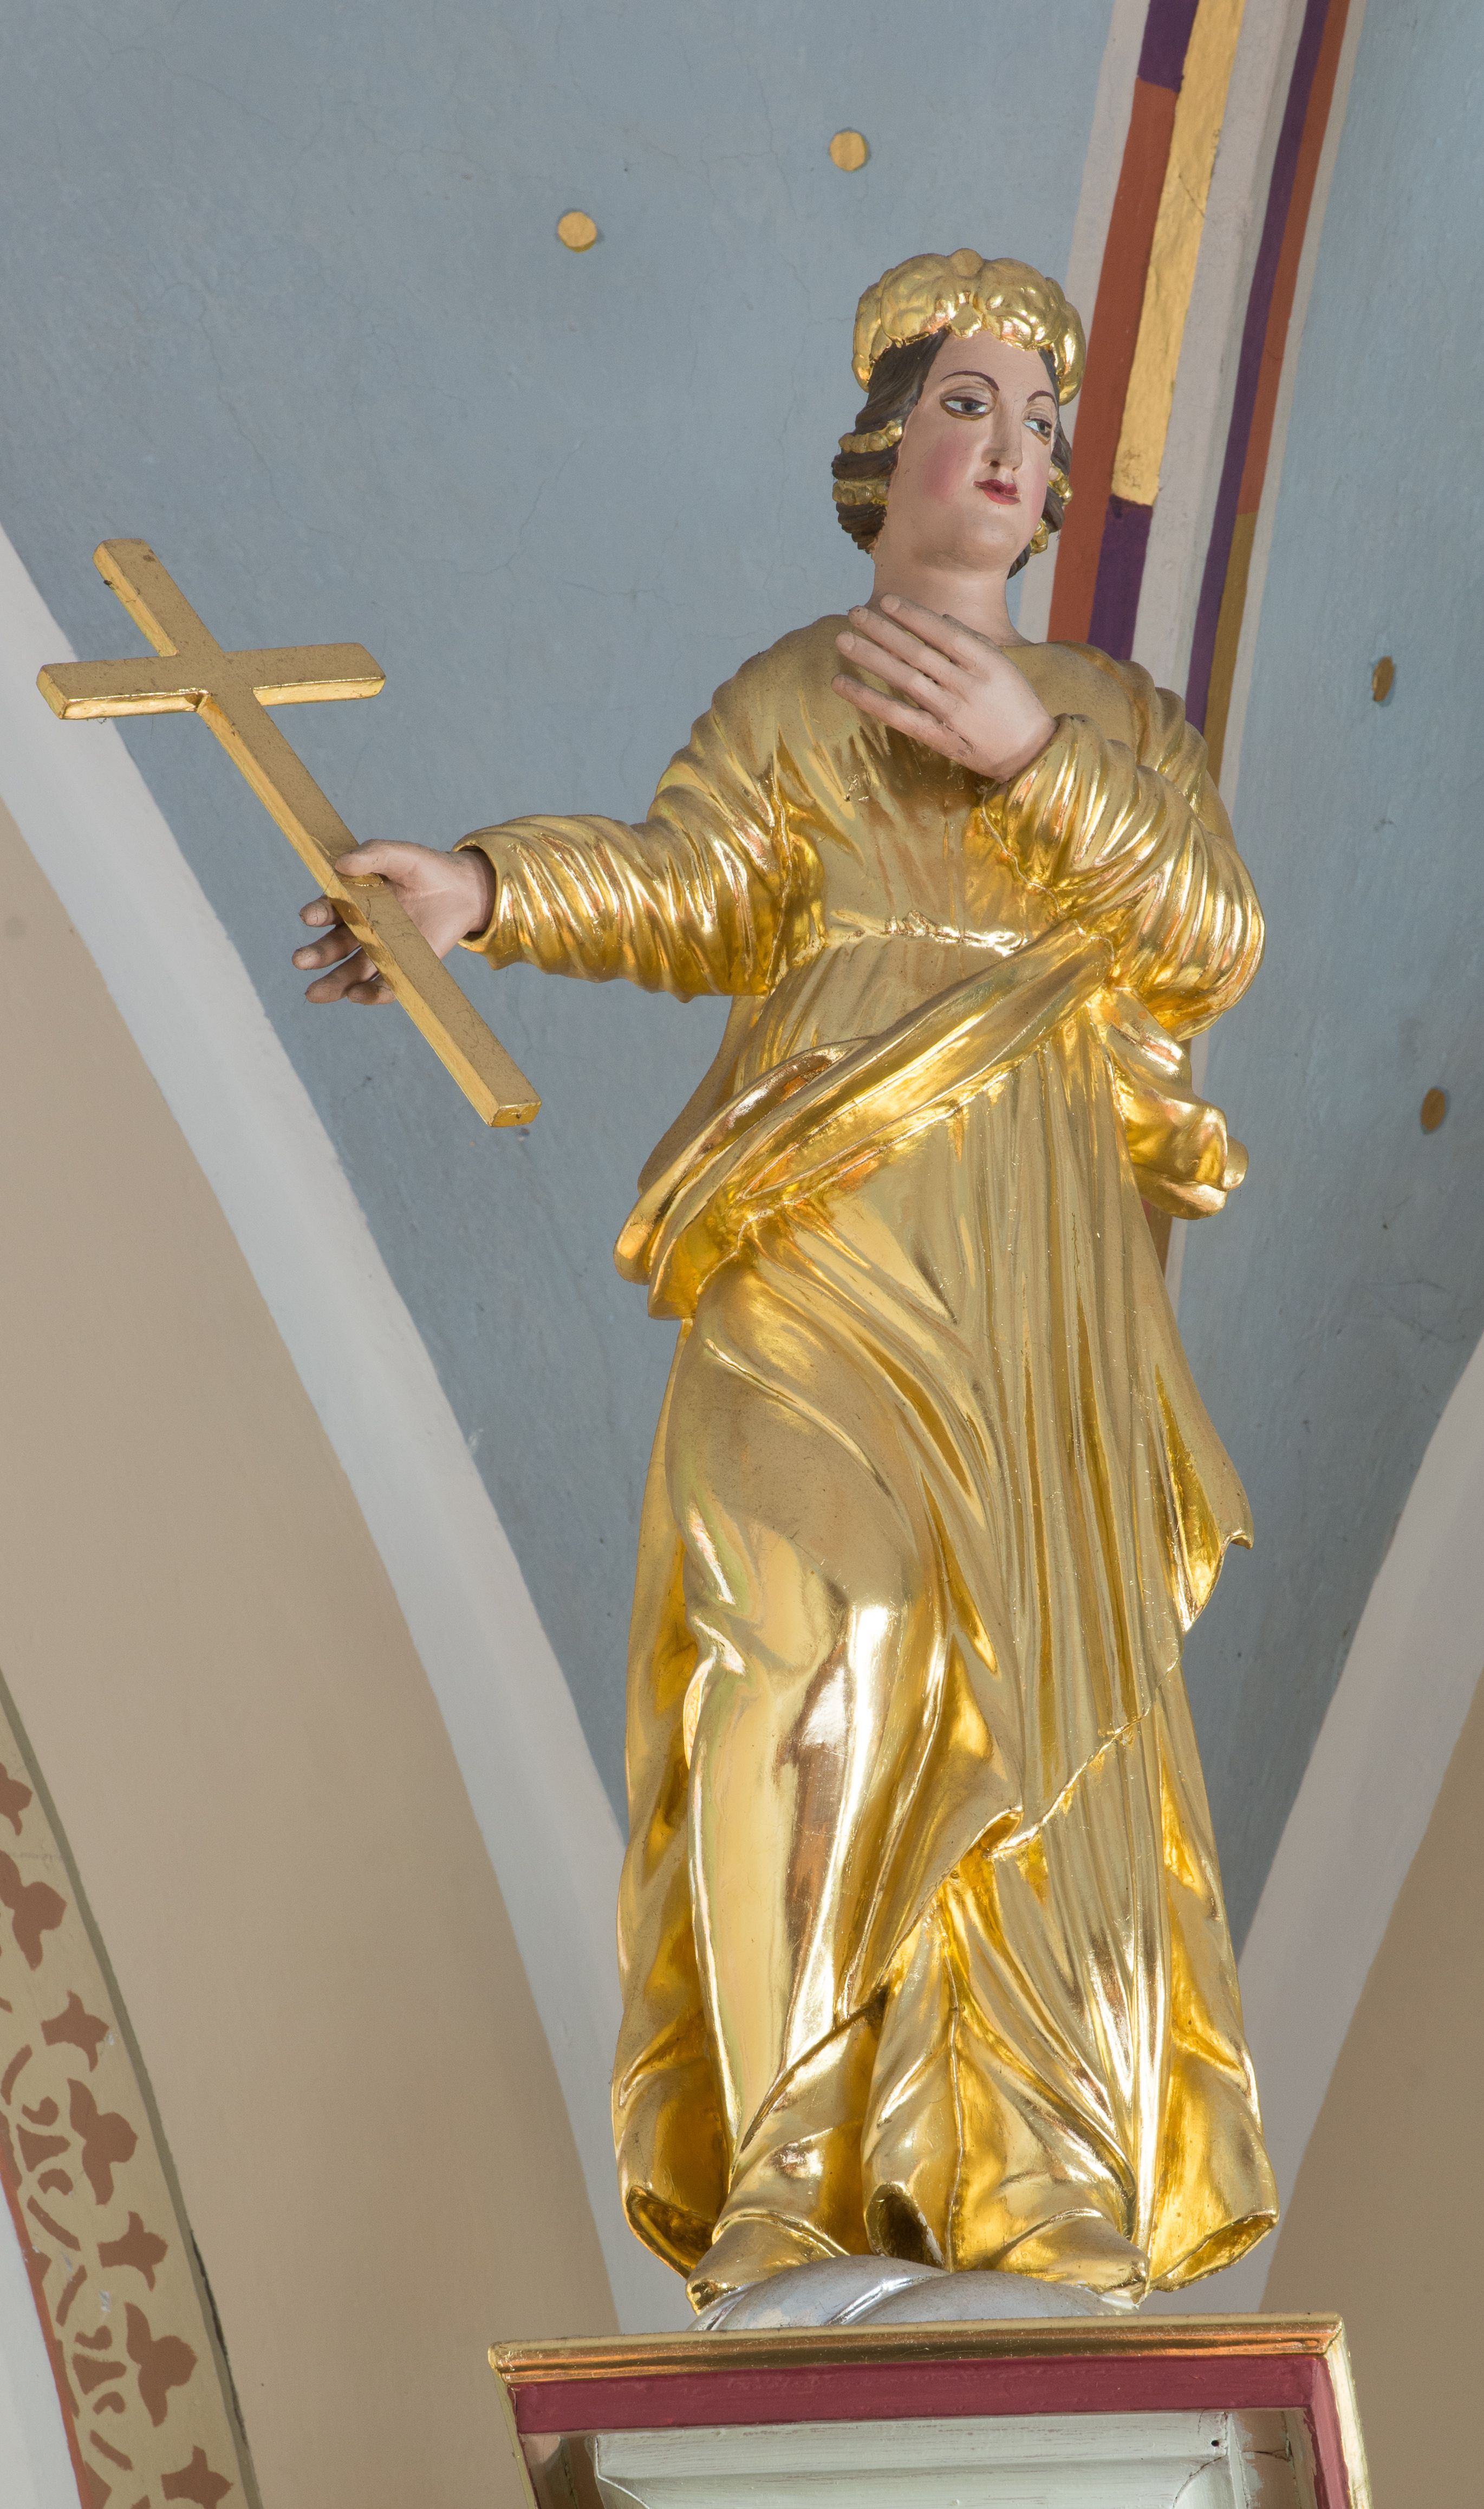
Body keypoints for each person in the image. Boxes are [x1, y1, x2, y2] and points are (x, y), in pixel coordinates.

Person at [292, 252, 1278, 2311]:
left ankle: (1037, 2168)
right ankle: (787, 2160)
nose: (1007, 449)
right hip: (814, 1224)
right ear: (882, 448)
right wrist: (483, 887)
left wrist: (1033, 755)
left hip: (1028, 1252)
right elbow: (690, 888)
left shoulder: (1114, 716)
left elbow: (1207, 936)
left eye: (1037, 425)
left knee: (1026, 1676)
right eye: (965, 405)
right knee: (786, 1655)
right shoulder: (788, 699)